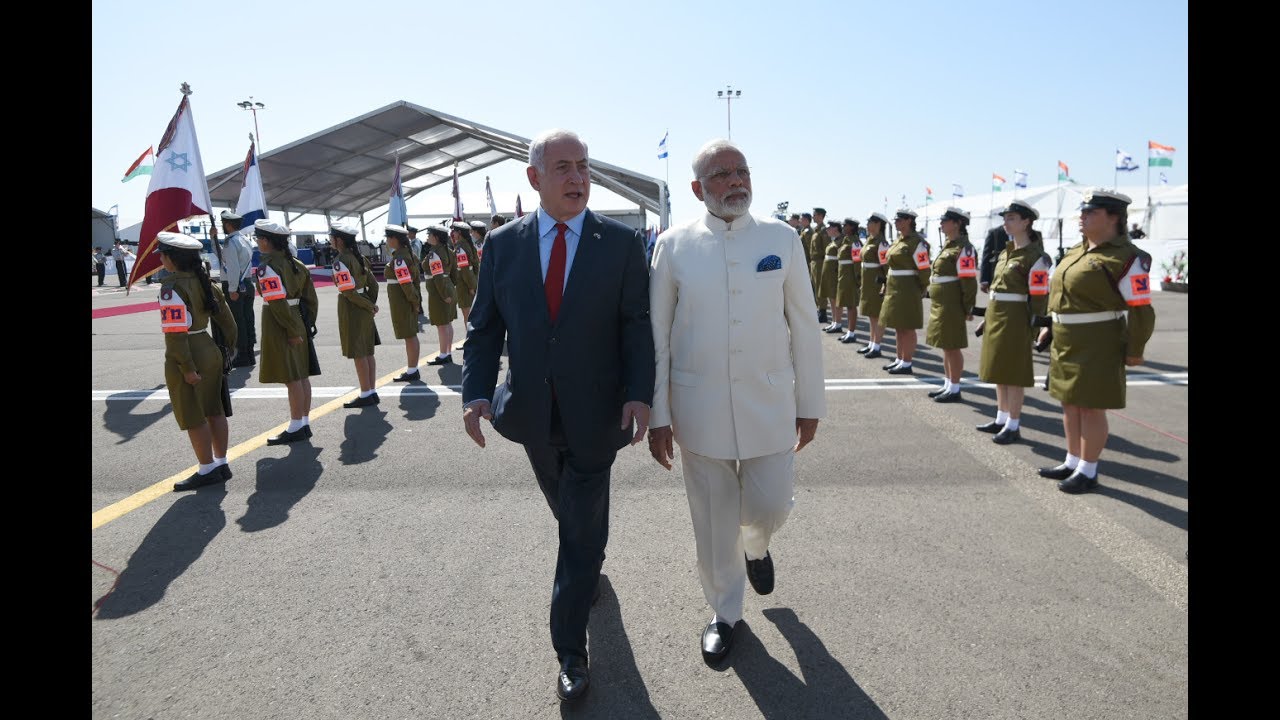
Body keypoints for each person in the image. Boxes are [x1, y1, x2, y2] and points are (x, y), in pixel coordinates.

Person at [461, 128, 654, 704]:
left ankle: (571, 651)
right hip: (530, 413)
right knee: (570, 511)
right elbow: (485, 326)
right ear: (534, 179)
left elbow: (634, 324)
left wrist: (640, 391)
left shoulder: (619, 243)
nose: (577, 177)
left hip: (597, 413)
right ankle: (588, 559)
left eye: (584, 166)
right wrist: (475, 393)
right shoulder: (502, 244)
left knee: (577, 528)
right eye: (563, 167)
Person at [648, 138, 824, 667]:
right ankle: (725, 614)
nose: (735, 181)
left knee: (769, 504)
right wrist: (658, 415)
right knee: (710, 519)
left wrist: (810, 402)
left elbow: (805, 325)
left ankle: (757, 546)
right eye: (722, 174)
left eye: (741, 171)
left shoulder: (782, 238)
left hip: (770, 400)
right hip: (696, 407)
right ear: (698, 188)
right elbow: (658, 333)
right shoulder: (674, 245)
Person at [1038, 189, 1155, 493]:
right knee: (1069, 403)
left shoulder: (1127, 258)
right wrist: (1050, 325)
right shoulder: (1076, 251)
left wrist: (1135, 349)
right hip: (1066, 339)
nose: (1082, 216)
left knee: (1091, 407)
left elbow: (1141, 309)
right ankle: (1072, 460)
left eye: (1091, 212)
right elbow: (1061, 295)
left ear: (1113, 217)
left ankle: (1089, 470)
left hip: (1098, 341)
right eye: (1082, 212)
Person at [155, 231, 239, 491]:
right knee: (215, 409)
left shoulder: (171, 289)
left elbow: (176, 336)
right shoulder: (207, 283)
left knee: (194, 414)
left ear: (170, 258)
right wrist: (228, 349)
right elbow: (229, 323)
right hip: (209, 347)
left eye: (162, 254)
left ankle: (206, 469)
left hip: (189, 353)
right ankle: (221, 462)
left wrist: (187, 368)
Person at [976, 199, 1051, 444]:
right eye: (1005, 218)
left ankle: (1013, 424)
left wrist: (1035, 327)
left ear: (1026, 222)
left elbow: (1039, 298)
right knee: (999, 369)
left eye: (1012, 218)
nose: (1006, 223)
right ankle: (1001, 417)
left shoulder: (1037, 256)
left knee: (1014, 374)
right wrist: (987, 317)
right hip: (998, 315)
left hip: (1017, 318)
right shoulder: (1006, 252)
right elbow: (997, 290)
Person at [251, 220, 321, 445]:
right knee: (301, 375)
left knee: (292, 378)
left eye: (257, 239)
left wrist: (291, 329)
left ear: (265, 241)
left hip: (282, 324)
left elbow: (277, 302)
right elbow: (311, 299)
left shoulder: (267, 267)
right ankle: (303, 422)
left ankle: (295, 426)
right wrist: (306, 323)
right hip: (298, 320)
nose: (257, 243)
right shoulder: (298, 264)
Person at [925, 207, 979, 402]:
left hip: (952, 303)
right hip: (942, 302)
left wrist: (968, 307)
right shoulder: (949, 245)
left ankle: (955, 388)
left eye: (945, 220)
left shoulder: (964, 248)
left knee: (953, 346)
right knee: (946, 346)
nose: (941, 223)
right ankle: (948, 385)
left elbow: (969, 281)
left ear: (957, 223)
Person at [330, 222, 382, 408]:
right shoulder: (359, 258)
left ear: (339, 240)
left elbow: (348, 292)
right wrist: (371, 303)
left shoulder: (340, 261)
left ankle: (366, 393)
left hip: (353, 308)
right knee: (367, 351)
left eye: (332, 237)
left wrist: (369, 306)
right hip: (364, 304)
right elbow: (374, 285)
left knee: (359, 353)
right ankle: (371, 390)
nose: (330, 240)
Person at [879, 209, 931, 374]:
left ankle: (907, 363)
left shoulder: (917, 242)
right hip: (894, 287)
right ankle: (899, 359)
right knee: (898, 326)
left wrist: (922, 288)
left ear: (909, 221)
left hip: (908, 289)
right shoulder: (898, 241)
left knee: (907, 327)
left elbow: (924, 270)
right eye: (896, 219)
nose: (896, 222)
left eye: (900, 219)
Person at [217, 210, 258, 368]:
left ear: (227, 225)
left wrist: (232, 289)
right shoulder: (244, 240)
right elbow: (225, 260)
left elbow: (232, 267)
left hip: (235, 285)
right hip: (247, 283)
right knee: (248, 319)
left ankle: (241, 354)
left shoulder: (230, 242)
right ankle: (248, 353)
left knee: (237, 321)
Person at [383, 225, 424, 382]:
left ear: (394, 239)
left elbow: (406, 284)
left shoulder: (400, 258)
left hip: (403, 300)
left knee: (409, 335)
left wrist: (414, 302)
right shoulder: (406, 254)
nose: (387, 241)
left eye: (388, 238)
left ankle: (412, 370)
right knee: (410, 334)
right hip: (404, 299)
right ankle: (412, 369)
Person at [422, 226, 458, 366]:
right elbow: (454, 273)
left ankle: (443, 355)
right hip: (448, 286)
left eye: (429, 234)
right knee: (447, 323)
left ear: (436, 237)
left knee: (442, 325)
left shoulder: (434, 253)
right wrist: (450, 289)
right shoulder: (448, 251)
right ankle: (447, 352)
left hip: (439, 291)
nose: (427, 237)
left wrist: (443, 294)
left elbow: (437, 276)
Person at [856, 213, 891, 358]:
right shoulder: (870, 240)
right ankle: (871, 343)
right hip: (868, 282)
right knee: (871, 314)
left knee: (877, 315)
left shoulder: (881, 243)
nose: (867, 225)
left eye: (870, 222)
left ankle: (877, 346)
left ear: (878, 225)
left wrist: (886, 284)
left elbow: (886, 267)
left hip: (877, 283)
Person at [835, 218, 862, 344]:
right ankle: (849, 332)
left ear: (851, 227)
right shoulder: (846, 240)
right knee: (846, 303)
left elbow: (857, 262)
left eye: (845, 225)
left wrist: (857, 279)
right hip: (844, 275)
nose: (843, 227)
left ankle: (851, 333)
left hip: (850, 276)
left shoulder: (855, 242)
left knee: (851, 305)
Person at [449, 220, 479, 326]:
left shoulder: (460, 248)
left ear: (460, 233)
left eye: (455, 231)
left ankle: (471, 340)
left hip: (465, 285)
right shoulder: (468, 245)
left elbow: (465, 269)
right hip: (470, 282)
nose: (453, 233)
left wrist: (471, 286)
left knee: (468, 317)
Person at [818, 221, 844, 335]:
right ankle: (834, 321)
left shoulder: (841, 241)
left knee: (835, 299)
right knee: (831, 298)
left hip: (834, 273)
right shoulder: (833, 241)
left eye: (829, 228)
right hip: (829, 273)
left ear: (835, 228)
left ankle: (838, 323)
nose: (827, 230)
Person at [978, 220, 1011, 295]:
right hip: (997, 277)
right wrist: (984, 279)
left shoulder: (1029, 235)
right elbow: (986, 256)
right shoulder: (995, 232)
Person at [809, 207, 829, 322]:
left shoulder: (823, 231)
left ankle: (823, 311)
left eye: (815, 215)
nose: (813, 217)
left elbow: (826, 248)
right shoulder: (816, 230)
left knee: (820, 287)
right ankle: (819, 309)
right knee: (815, 287)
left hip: (820, 262)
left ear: (821, 216)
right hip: (814, 262)